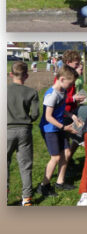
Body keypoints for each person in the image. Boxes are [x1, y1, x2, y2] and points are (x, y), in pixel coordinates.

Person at [36, 65, 78, 197]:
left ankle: (60, 182)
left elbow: (60, 109)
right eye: (70, 83)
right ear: (61, 79)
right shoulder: (52, 94)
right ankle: (44, 186)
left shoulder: (63, 91)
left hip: (58, 127)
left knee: (66, 153)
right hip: (50, 129)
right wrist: (64, 127)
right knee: (55, 157)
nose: (71, 87)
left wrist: (72, 115)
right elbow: (48, 116)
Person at [8, 62, 40, 206]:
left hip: (6, 130)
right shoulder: (32, 92)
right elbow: (35, 114)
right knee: (25, 165)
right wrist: (27, 119)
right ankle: (27, 198)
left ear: (10, 74)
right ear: (26, 75)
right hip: (25, 131)